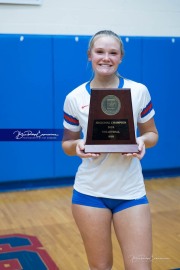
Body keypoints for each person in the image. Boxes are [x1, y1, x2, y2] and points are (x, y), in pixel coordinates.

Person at [62, 30, 158, 270]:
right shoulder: (74, 97)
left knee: (140, 267)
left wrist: (142, 141)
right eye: (100, 52)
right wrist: (78, 146)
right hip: (89, 194)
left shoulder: (138, 91)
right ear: (89, 56)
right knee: (100, 267)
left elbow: (152, 134)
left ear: (121, 57)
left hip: (131, 192)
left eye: (113, 53)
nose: (106, 58)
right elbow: (67, 144)